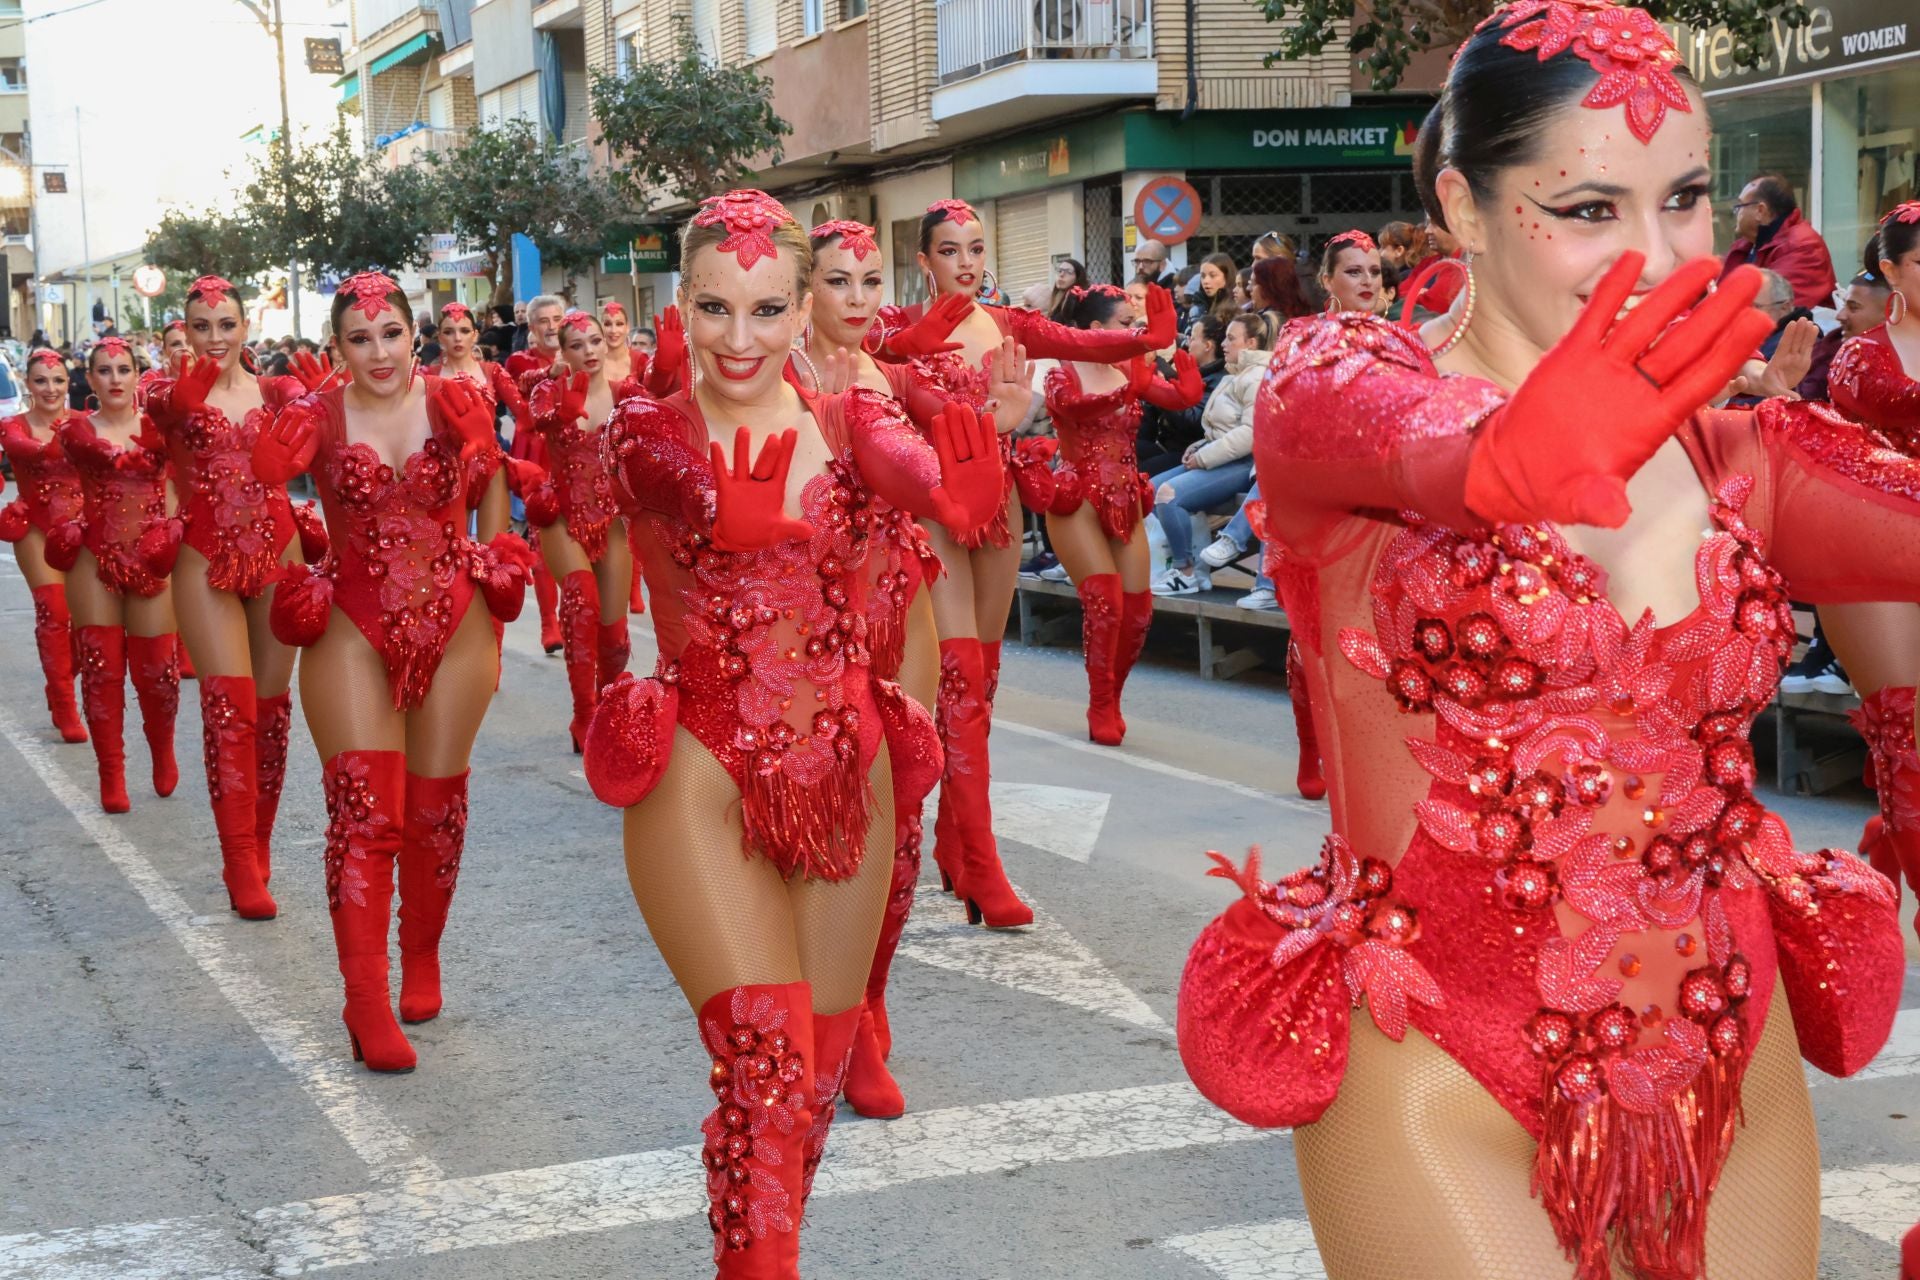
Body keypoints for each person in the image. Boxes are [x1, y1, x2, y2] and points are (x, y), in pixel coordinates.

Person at [1178, 6, 1910, 1278]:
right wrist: (1495, 458)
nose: (1654, 252)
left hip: (1729, 1046)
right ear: (1463, 209)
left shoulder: (1748, 456)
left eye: (1683, 197)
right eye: (1585, 208)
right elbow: (1368, 428)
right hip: (1439, 1064)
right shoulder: (1340, 388)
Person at [588, 190, 1004, 1277]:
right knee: (764, 1066)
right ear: (680, 302)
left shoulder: (845, 417)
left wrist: (950, 491)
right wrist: (725, 514)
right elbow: (662, 483)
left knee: (811, 1077)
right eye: (715, 308)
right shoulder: (646, 423)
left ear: (800, 305)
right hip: (703, 768)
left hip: (846, 772)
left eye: (769, 310)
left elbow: (902, 464)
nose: (741, 339)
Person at [250, 272, 526, 1072]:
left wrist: (497, 548)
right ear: (336, 347)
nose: (379, 351)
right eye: (359, 338)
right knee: (365, 813)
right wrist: (289, 451)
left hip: (456, 617)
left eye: (392, 334)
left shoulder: (453, 397)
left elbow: (493, 472)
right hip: (352, 620)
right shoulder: (320, 413)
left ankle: (424, 955)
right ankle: (365, 1001)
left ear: (416, 335)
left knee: (434, 810)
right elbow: (266, 473)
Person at [877, 197, 1173, 926]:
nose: (967, 263)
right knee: (955, 678)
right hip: (934, 504)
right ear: (923, 261)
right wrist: (915, 342)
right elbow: (879, 373)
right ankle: (980, 861)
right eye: (950, 251)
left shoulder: (1006, 324)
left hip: (999, 504)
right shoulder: (896, 328)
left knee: (983, 682)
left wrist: (1144, 341)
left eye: (976, 249)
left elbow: (1083, 343)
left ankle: (956, 840)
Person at [797, 216, 1027, 1119]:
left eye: (866, 282)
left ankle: (868, 1014)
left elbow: (938, 447)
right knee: (825, 827)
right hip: (802, 634)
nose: (856, 300)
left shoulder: (890, 380)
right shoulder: (765, 379)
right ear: (800, 288)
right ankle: (815, 1002)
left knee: (895, 826)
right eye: (835, 282)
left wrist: (994, 427)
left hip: (900, 607)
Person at [143, 276, 324, 922]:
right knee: (230, 712)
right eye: (201, 325)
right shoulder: (166, 393)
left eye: (226, 324)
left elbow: (325, 424)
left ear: (247, 327)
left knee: (272, 716)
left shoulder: (276, 391)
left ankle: (261, 843)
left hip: (279, 555)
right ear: (185, 331)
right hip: (204, 561)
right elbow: (175, 412)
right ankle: (238, 859)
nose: (215, 337)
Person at [1030, 283, 1202, 744]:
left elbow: (1170, 398)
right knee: (1105, 604)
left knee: (1139, 612)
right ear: (1095, 330)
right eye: (1127, 325)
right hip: (1077, 499)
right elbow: (1075, 406)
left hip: (1127, 495)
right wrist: (1132, 385)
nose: (1136, 331)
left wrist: (1187, 393)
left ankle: (1113, 695)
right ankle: (1100, 703)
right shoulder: (1062, 372)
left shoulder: (1129, 365)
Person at [1817, 204, 1920, 949]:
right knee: (1904, 735)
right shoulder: (1862, 357)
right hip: (1881, 551)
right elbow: (1882, 406)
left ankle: (1885, 851)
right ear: (1891, 272)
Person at [49, 339, 184, 812]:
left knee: (157, 673)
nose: (115, 379)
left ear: (135, 373)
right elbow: (83, 451)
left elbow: (178, 481)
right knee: (102, 670)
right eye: (104, 371)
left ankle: (163, 752)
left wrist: (171, 531)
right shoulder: (77, 431)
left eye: (123, 369)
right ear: (89, 378)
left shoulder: (158, 428)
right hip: (95, 558)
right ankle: (112, 772)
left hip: (150, 559)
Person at [524, 312, 638, 749]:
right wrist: (558, 411)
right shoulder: (548, 391)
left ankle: (609, 706)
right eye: (578, 345)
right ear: (563, 352)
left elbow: (669, 410)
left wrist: (667, 368)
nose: (590, 350)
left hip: (611, 520)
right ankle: (583, 715)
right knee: (581, 602)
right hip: (562, 516)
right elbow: (537, 416)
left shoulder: (625, 393)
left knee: (613, 630)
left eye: (595, 341)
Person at [0, 351, 89, 742]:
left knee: (93, 627)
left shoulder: (88, 423)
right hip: (37, 529)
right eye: (41, 381)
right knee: (54, 612)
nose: (50, 388)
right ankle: (68, 708)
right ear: (27, 384)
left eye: (57, 380)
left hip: (86, 530)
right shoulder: (12, 426)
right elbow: (22, 449)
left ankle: (58, 684)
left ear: (68, 383)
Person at [1148, 312, 1268, 596]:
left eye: (1231, 338)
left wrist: (1204, 456)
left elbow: (1249, 435)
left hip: (1245, 464)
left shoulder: (1259, 375)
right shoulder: (1233, 372)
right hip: (1219, 456)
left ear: (1250, 342)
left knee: (1168, 495)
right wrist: (1201, 445)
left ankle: (1186, 571)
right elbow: (1218, 427)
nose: (1223, 343)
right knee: (1149, 489)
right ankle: (1198, 571)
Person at [1722, 172, 1837, 309]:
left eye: (1740, 206)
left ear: (1760, 210)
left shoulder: (1803, 247)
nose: (1736, 212)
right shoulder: (1748, 245)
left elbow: (1771, 309)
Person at [1137, 314, 1228, 477]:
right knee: (1123, 451)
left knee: (1138, 473)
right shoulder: (1197, 373)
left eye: (1192, 338)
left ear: (1207, 345)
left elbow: (1193, 422)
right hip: (1166, 442)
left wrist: (1163, 394)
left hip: (1187, 450)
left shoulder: (1218, 380)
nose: (1187, 344)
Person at [1319, 230, 1386, 314]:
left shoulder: (1394, 327)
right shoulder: (1301, 326)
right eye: (1354, 272)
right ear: (1328, 281)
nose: (1368, 281)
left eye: (1375, 272)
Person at [1251, 256, 1314, 334]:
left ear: (1268, 287)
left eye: (1254, 283)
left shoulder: (1266, 324)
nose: (1249, 289)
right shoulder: (1306, 315)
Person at [1186, 252, 1240, 331]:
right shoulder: (1199, 302)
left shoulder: (1236, 306)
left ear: (1226, 276)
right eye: (1203, 276)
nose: (1206, 281)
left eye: (1212, 275)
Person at [1044, 258, 1088, 324]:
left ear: (1077, 278)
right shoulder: (1055, 300)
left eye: (1068, 272)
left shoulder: (1076, 301)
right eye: (1059, 271)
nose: (1061, 275)